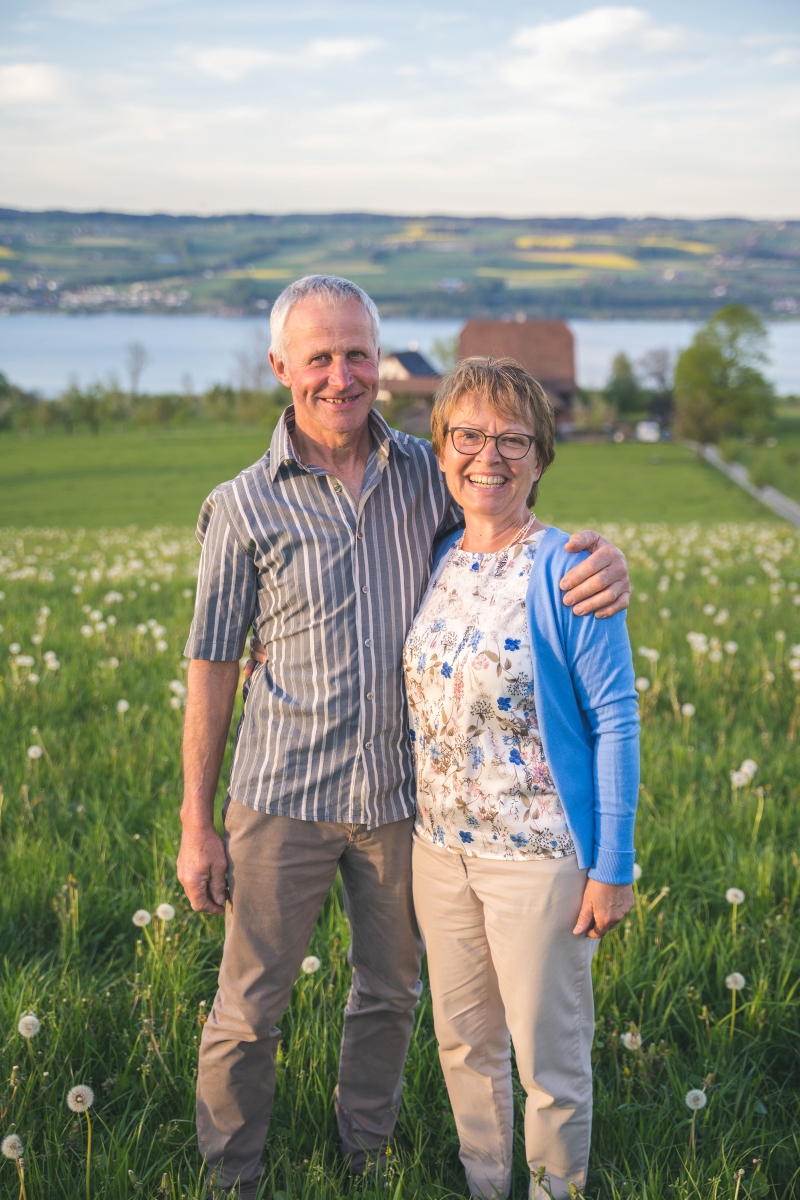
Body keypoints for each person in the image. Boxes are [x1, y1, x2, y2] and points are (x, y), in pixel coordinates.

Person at [177, 274, 633, 1198]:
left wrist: (609, 558)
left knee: (389, 999)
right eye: (319, 358)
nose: (341, 376)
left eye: (357, 355)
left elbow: (511, 514)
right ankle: (231, 1180)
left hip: (401, 807)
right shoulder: (243, 505)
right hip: (284, 797)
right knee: (248, 1011)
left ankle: (366, 1162)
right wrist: (197, 818)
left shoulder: (426, 471)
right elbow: (214, 661)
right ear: (282, 368)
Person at [405, 357, 639, 1200]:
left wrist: (614, 868)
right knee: (465, 1046)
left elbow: (617, 721)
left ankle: (553, 1191)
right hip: (439, 854)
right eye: (468, 436)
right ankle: (483, 1184)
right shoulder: (433, 557)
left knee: (549, 1060)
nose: (488, 456)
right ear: (441, 451)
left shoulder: (569, 570)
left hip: (539, 860)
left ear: (541, 458)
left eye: (513, 439)